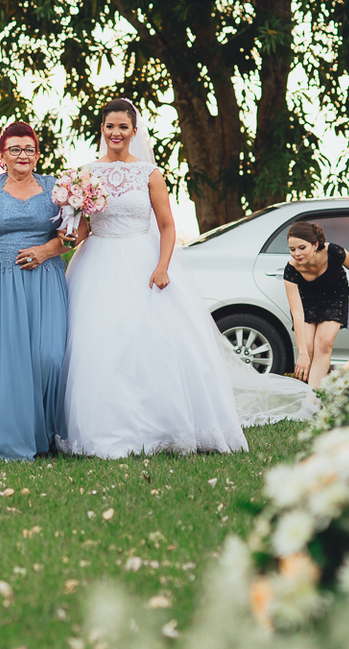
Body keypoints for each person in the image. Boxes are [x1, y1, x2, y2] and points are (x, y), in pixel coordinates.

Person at [57, 99, 312, 459]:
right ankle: (102, 429)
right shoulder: (86, 174)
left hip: (142, 261)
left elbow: (166, 225)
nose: (116, 133)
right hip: (96, 264)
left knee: (147, 343)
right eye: (110, 126)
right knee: (97, 343)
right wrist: (65, 236)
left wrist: (162, 266)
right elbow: (83, 228)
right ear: (102, 129)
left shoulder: (149, 173)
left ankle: (157, 425)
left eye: (123, 127)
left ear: (133, 131)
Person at [0, 122, 68, 460]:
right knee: (9, 364)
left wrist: (45, 251)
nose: (23, 155)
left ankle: (47, 435)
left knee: (50, 357)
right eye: (15, 149)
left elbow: (74, 234)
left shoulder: (55, 189)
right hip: (0, 284)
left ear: (38, 154)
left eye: (29, 149)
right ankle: (11, 440)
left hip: (45, 281)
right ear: (2, 155)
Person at [283, 221, 349, 388]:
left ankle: (312, 396)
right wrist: (303, 354)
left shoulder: (335, 252)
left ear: (315, 245)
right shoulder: (291, 270)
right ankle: (308, 389)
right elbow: (297, 313)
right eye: (292, 249)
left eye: (302, 247)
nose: (296, 254)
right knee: (307, 347)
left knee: (324, 342)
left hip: (335, 296)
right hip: (308, 301)